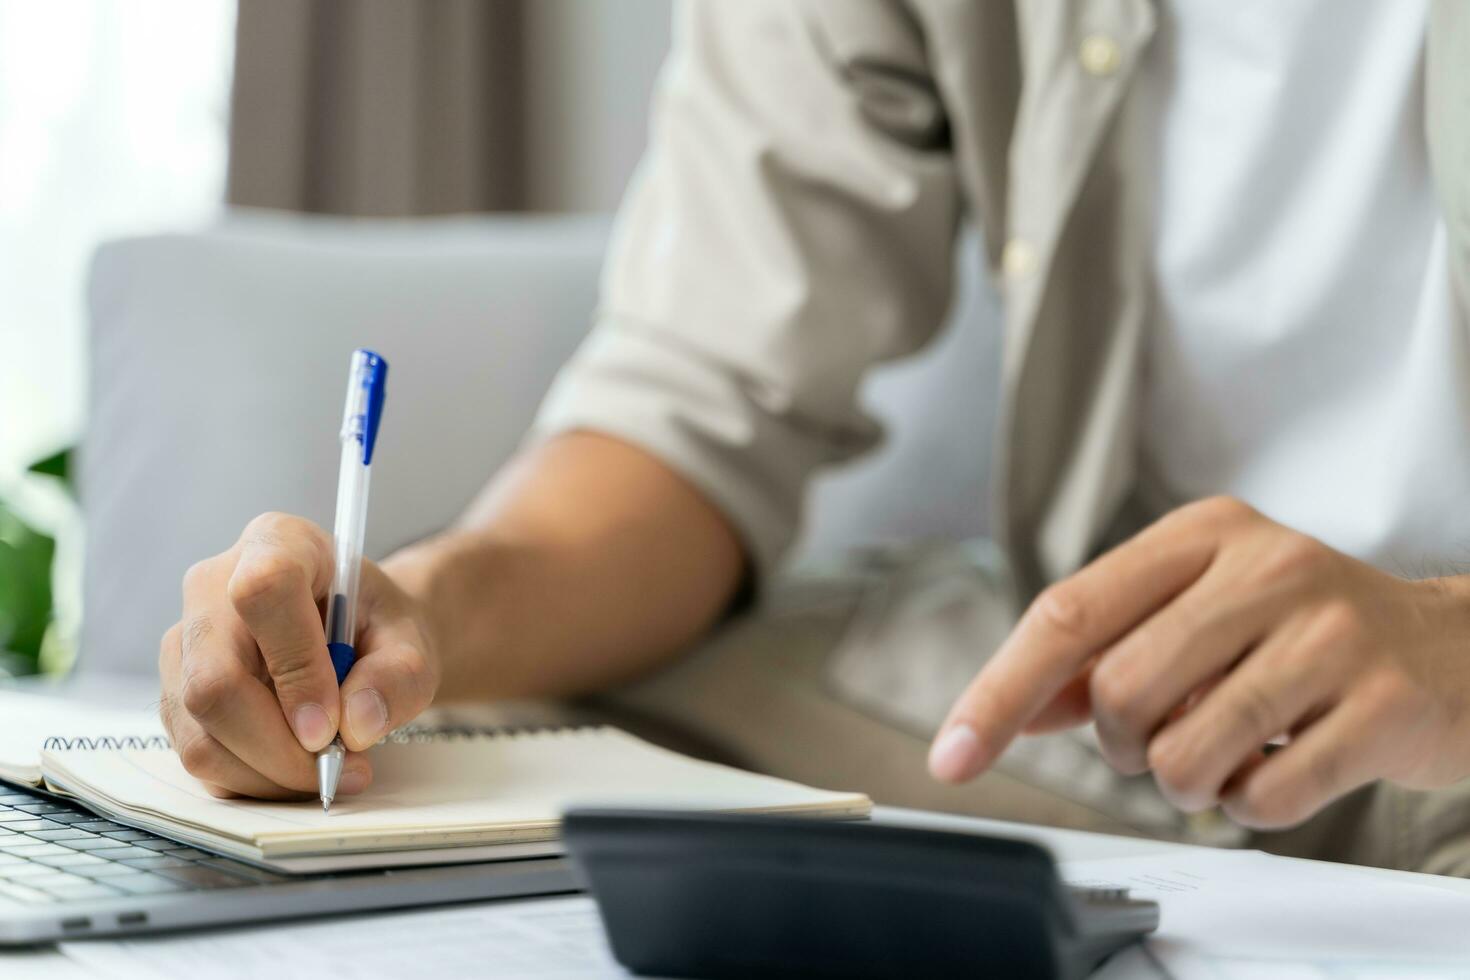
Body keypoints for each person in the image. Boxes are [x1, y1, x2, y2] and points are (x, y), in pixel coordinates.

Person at [158, 1, 1470, 873]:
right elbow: (699, 405)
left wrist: (1436, 648)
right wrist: (415, 619)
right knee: (501, 749)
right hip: (1118, 729)